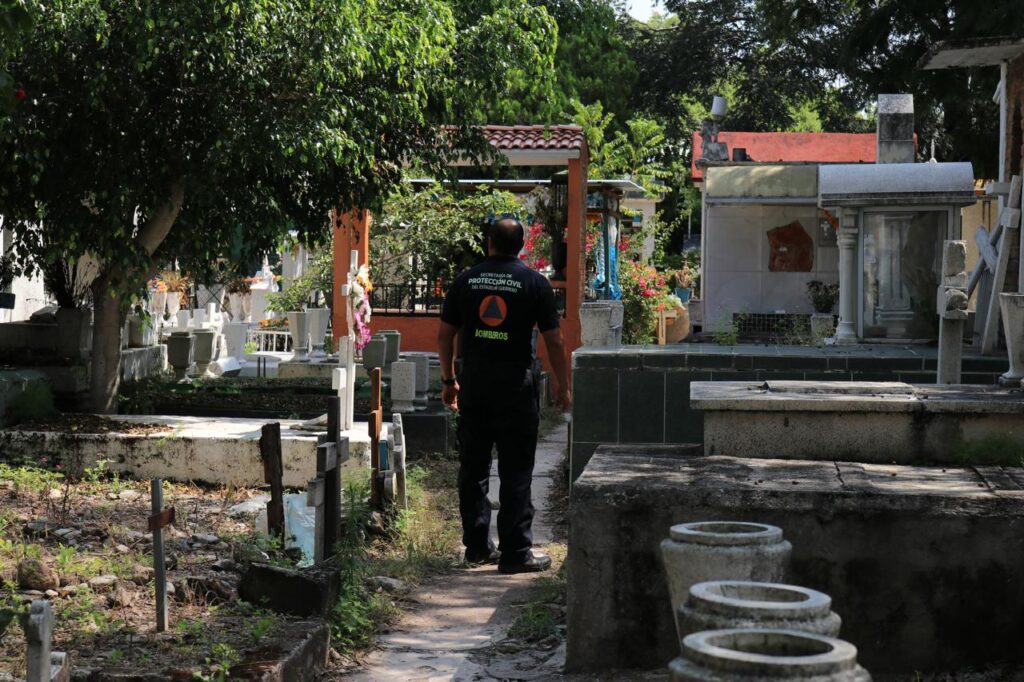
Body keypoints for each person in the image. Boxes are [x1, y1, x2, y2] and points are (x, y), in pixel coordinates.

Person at [438, 216, 571, 574]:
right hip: (516, 388)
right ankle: (515, 552)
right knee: (516, 469)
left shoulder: (465, 280)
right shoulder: (534, 282)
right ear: (522, 246)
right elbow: (554, 339)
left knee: (474, 467)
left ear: (488, 242)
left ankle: (478, 548)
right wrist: (563, 385)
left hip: (475, 386)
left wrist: (449, 380)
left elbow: (444, 334)